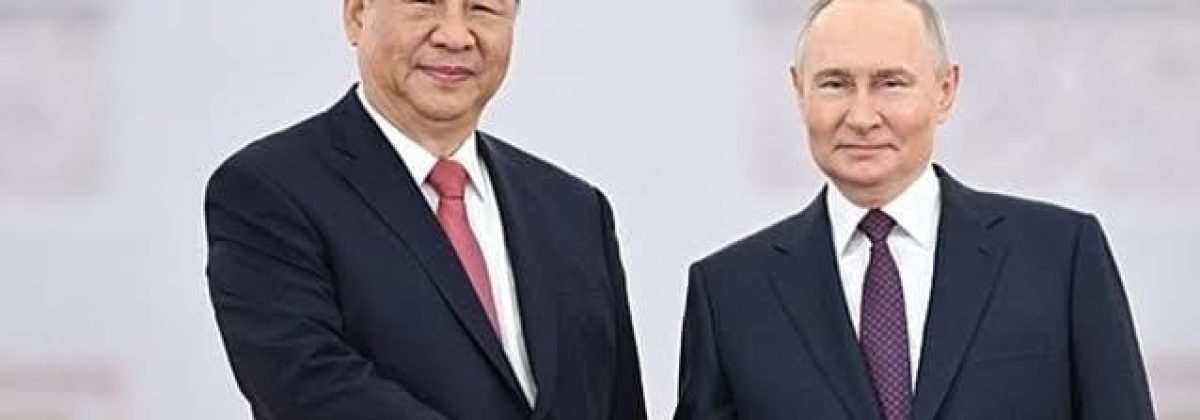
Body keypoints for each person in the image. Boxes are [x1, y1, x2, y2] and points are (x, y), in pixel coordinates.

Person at [673, 0, 1154, 419]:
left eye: (891, 83)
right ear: (799, 91)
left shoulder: (1059, 258)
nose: (862, 117)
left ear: (945, 90)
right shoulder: (729, 295)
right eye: (835, 83)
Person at [203, 0, 646, 418]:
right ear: (356, 14)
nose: (456, 36)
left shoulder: (576, 211)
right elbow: (310, 390)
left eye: (481, 8)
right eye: (425, 3)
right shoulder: (269, 191)